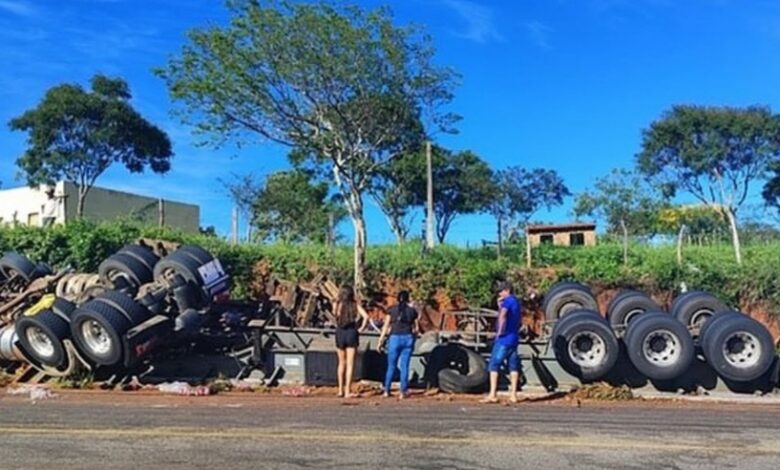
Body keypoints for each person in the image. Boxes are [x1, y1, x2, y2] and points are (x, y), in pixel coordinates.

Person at [481, 281, 522, 404]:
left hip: (504, 338)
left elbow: (503, 316)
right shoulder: (516, 302)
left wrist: (499, 332)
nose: (499, 293)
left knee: (494, 364)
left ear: (507, 290)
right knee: (513, 365)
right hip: (514, 337)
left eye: (501, 291)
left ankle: (492, 394)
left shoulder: (508, 301)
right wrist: (499, 306)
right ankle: (513, 395)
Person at [378, 290, 419, 399]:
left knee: (391, 366)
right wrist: (413, 340)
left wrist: (380, 341)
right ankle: (402, 391)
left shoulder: (391, 310)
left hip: (394, 338)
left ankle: (386, 390)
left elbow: (386, 326)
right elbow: (416, 329)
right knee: (404, 366)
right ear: (408, 299)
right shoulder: (412, 311)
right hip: (407, 338)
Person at [333, 285, 369, 398]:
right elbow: (366, 317)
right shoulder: (355, 305)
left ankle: (340, 390)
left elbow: (335, 315)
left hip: (340, 332)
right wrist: (361, 328)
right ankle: (347, 390)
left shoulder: (337, 305)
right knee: (350, 364)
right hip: (352, 332)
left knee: (341, 363)